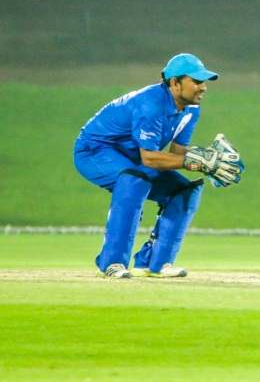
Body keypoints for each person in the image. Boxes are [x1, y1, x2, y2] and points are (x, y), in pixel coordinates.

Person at [73, 54, 245, 278]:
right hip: (94, 150)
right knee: (133, 180)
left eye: (204, 82)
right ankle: (111, 263)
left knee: (184, 190)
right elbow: (150, 159)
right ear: (175, 83)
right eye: (196, 81)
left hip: (135, 157)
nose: (203, 87)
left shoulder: (191, 108)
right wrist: (197, 162)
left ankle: (155, 262)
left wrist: (206, 160)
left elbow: (177, 152)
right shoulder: (151, 104)